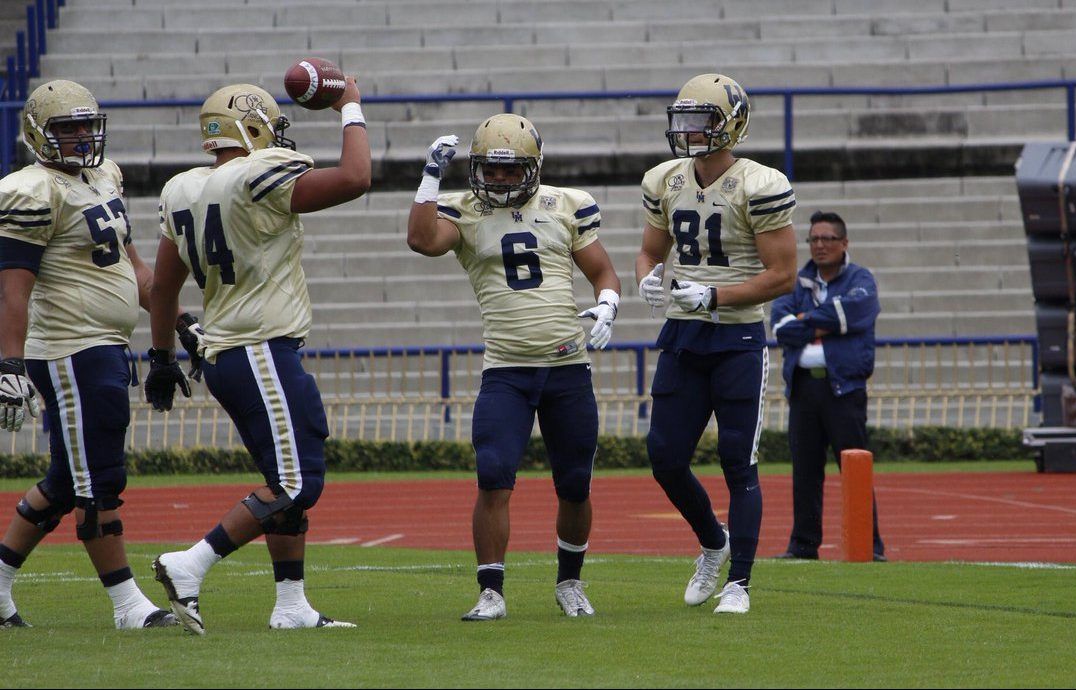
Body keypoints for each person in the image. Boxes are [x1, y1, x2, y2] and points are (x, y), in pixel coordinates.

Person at [145, 80, 371, 634]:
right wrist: (350, 105)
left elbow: (163, 290)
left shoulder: (184, 189)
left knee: (281, 476)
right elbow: (356, 177)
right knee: (297, 484)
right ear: (252, 126)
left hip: (228, 354)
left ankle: (291, 605)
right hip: (259, 348)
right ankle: (189, 564)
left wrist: (160, 356)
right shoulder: (255, 174)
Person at [0, 80, 200, 629]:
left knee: (68, 480)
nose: (82, 136)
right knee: (99, 481)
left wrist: (178, 320)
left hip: (106, 348)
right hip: (67, 350)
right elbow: (11, 288)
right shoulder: (31, 189)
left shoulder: (101, 177)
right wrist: (10, 364)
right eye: (67, 128)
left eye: (87, 125)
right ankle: (128, 606)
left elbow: (134, 269)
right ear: (39, 133)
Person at [407, 114, 621, 621]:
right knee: (493, 476)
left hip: (567, 368)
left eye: (511, 170)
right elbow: (420, 240)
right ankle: (491, 591)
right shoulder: (463, 211)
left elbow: (602, 270)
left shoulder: (567, 205)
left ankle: (570, 583)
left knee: (574, 483)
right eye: (490, 170)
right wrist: (429, 177)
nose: (499, 180)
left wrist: (609, 302)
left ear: (534, 167)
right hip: (505, 370)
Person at [635, 74, 797, 614]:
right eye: (683, 118)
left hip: (738, 337)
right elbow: (651, 252)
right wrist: (644, 279)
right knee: (663, 456)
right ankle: (713, 542)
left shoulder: (760, 183)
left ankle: (740, 583)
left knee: (737, 461)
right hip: (683, 334)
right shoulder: (664, 179)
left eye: (703, 119)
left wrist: (716, 296)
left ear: (732, 124)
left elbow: (783, 275)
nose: (690, 130)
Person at [771, 210, 885, 562]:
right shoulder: (795, 280)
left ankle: (870, 547)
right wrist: (830, 322)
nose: (819, 246)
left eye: (827, 239)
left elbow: (858, 312)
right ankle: (803, 546)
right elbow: (780, 327)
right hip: (804, 389)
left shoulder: (860, 280)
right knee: (804, 470)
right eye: (814, 239)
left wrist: (806, 320)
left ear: (844, 243)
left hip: (844, 390)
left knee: (854, 467)